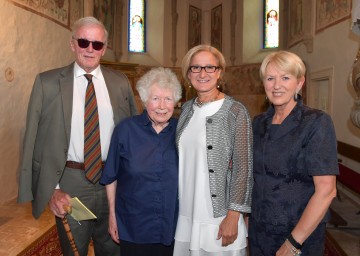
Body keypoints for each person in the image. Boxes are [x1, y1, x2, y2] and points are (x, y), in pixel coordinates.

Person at [17, 16, 137, 255]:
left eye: (97, 44)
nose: (90, 49)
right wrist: (53, 188)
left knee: (112, 247)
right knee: (74, 248)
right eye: (84, 42)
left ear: (104, 48)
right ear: (72, 44)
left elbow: (133, 136)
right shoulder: (48, 83)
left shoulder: (120, 83)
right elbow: (33, 140)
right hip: (71, 186)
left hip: (111, 183)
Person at [248, 51, 339, 256]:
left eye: (285, 77)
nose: (276, 85)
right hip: (259, 231)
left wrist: (293, 243)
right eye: (270, 78)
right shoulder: (259, 123)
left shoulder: (316, 122)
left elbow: (326, 191)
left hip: (298, 234)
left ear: (299, 83)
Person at [173, 44, 253, 256]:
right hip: (188, 213)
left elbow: (243, 168)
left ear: (219, 72)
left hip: (218, 216)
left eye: (209, 67)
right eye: (196, 68)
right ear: (188, 74)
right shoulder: (186, 109)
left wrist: (233, 216)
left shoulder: (235, 111)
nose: (202, 73)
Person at [100, 67, 182, 256]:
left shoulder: (182, 131)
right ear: (144, 101)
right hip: (133, 225)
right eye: (155, 98)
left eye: (168, 99)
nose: (162, 105)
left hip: (171, 225)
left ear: (175, 102)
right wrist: (112, 216)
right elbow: (111, 176)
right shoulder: (125, 130)